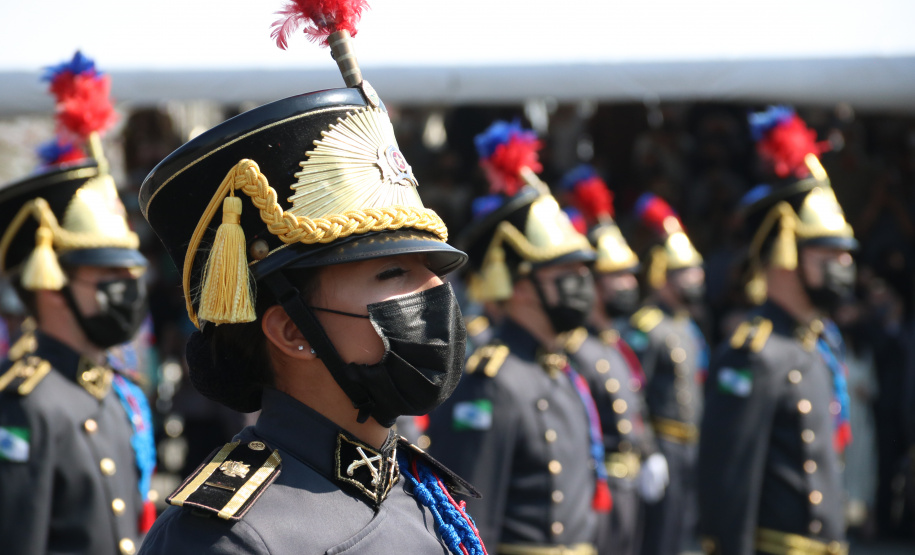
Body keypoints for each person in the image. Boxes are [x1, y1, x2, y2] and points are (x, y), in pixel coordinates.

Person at [136, 4, 485, 554]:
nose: (436, 291)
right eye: (394, 272)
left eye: (434, 268)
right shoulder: (228, 540)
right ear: (291, 332)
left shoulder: (419, 492)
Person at [0, 52, 154, 555]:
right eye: (108, 275)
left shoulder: (112, 392)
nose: (127, 288)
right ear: (51, 283)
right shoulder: (26, 404)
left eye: (128, 273)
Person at [426, 121, 603, 554]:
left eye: (583, 273)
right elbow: (470, 518)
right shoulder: (494, 379)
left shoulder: (558, 365)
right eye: (564, 275)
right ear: (521, 286)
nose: (582, 285)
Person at [698, 106, 856, 554]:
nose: (845, 267)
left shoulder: (815, 343)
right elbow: (728, 489)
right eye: (829, 256)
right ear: (787, 255)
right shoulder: (755, 353)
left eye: (845, 255)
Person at [559, 165, 667, 555]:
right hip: (595, 489)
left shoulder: (615, 343)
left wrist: (651, 453)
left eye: (630, 276)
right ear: (594, 282)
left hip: (629, 485)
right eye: (618, 277)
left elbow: (636, 407)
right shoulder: (574, 348)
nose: (630, 285)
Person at [625, 193, 708, 555]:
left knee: (681, 536)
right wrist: (648, 451)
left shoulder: (690, 326)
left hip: (692, 445)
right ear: (664, 277)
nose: (697, 278)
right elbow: (634, 393)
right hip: (666, 445)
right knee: (659, 540)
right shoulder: (649, 327)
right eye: (687, 272)